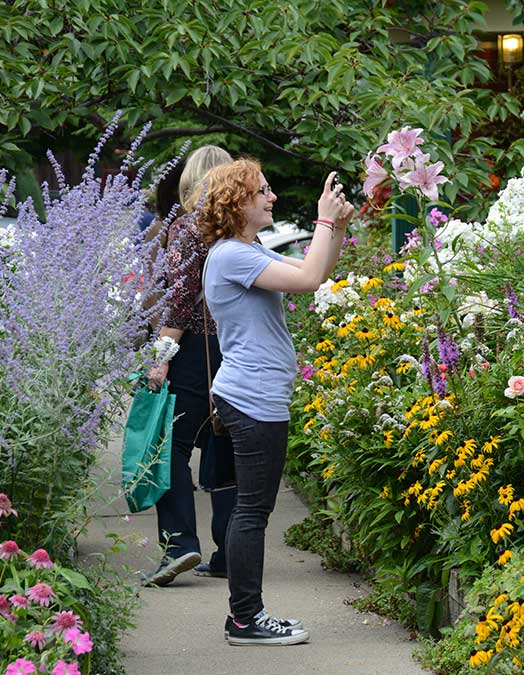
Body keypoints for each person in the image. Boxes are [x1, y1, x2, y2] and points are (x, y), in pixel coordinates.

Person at [197, 160, 353, 646]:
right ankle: (245, 619)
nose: (272, 198)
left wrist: (338, 227)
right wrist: (324, 220)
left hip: (257, 395)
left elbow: (317, 272)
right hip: (251, 397)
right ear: (237, 203)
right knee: (251, 511)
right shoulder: (230, 257)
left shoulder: (245, 249)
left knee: (252, 509)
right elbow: (308, 279)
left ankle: (247, 616)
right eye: (263, 191)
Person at [143, 145, 236, 586]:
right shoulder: (241, 232)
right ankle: (231, 551)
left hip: (195, 350)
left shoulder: (188, 227)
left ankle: (179, 544)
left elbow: (179, 302)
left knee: (171, 446)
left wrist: (159, 359)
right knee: (225, 447)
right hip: (236, 349)